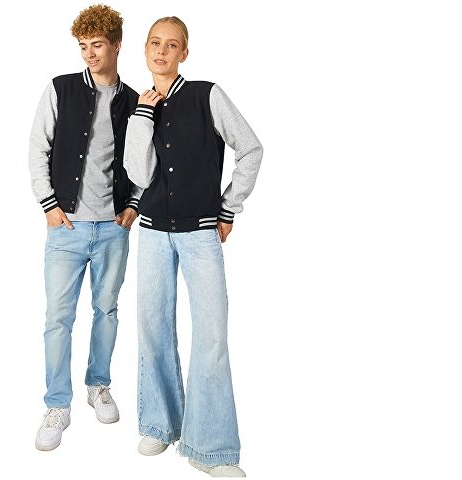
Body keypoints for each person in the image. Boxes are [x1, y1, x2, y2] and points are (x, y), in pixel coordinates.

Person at [123, 16, 263, 477]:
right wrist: (143, 116)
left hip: (201, 233)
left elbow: (251, 148)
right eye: (155, 43)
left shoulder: (207, 95)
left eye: (172, 44)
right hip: (152, 233)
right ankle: (160, 424)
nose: (162, 51)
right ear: (145, 50)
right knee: (153, 328)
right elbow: (138, 174)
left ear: (184, 53)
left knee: (212, 336)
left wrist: (229, 208)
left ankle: (213, 449)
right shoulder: (139, 105)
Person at [28, 4, 140, 451]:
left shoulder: (135, 101)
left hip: (113, 227)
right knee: (58, 318)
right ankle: (57, 404)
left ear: (116, 45)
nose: (89, 54)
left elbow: (146, 160)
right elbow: (38, 147)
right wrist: (49, 205)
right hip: (67, 227)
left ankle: (99, 384)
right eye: (82, 46)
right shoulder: (61, 89)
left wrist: (133, 205)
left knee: (107, 311)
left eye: (97, 45)